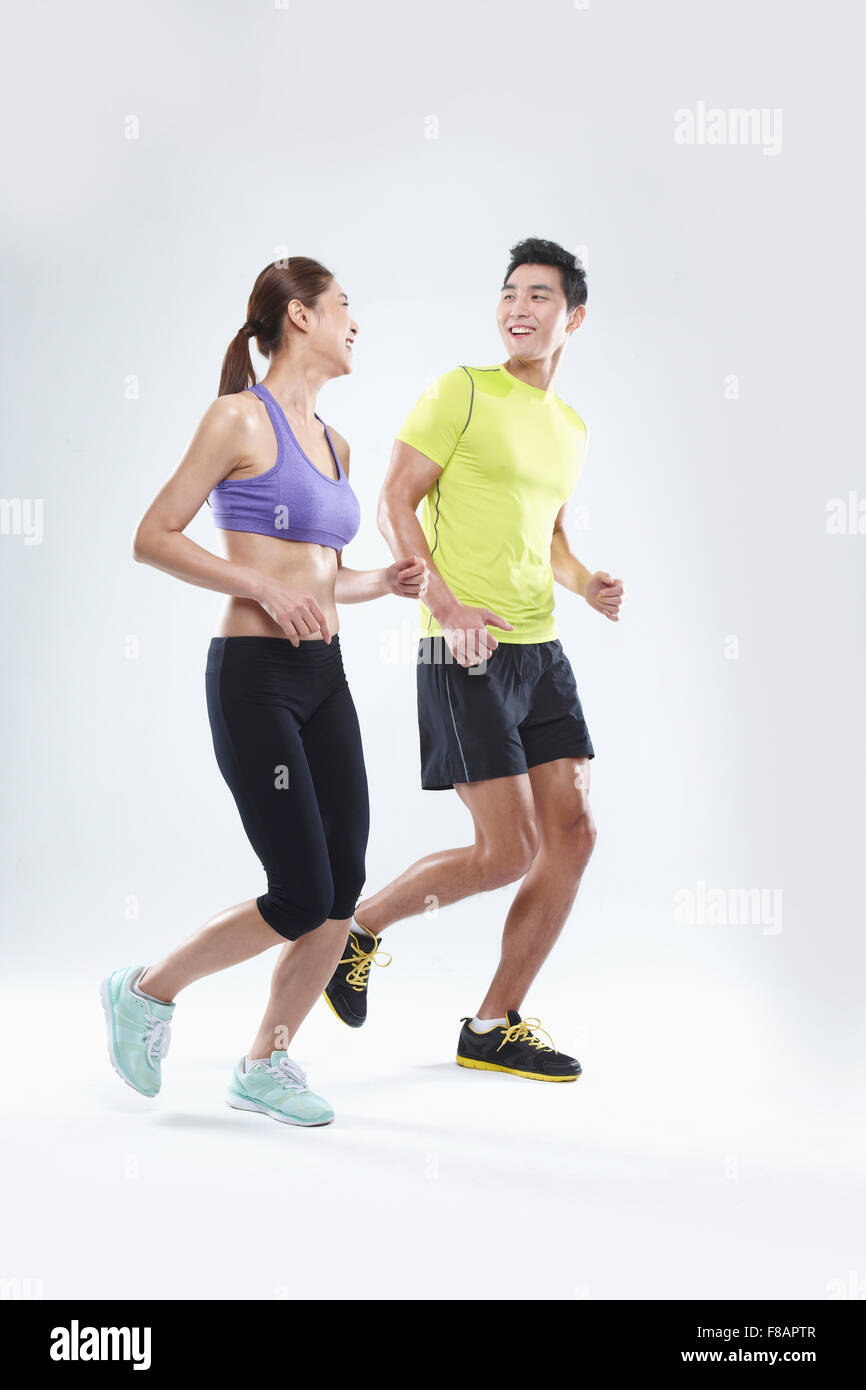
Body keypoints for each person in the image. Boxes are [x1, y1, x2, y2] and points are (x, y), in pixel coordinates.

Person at [100, 257, 426, 1126]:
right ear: (298, 317)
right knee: (296, 892)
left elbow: (327, 575)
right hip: (254, 680)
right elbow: (152, 536)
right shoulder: (237, 418)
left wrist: (377, 583)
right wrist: (262, 590)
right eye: (344, 307)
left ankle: (266, 1065)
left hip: (327, 679)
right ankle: (146, 992)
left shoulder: (336, 442)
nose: (356, 323)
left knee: (342, 887)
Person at [324, 237, 625, 1082]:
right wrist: (445, 604)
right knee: (506, 850)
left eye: (540, 297)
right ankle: (361, 928)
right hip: (464, 649)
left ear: (574, 318)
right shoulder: (460, 391)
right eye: (509, 294)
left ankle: (492, 1025)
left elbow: (551, 535)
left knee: (573, 835)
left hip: (540, 651)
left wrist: (584, 579)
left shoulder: (570, 428)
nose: (519, 310)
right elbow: (394, 498)